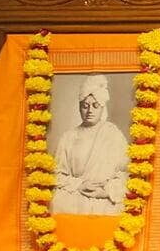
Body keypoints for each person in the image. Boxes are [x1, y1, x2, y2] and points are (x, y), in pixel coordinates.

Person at [51, 74, 129, 215]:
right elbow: (55, 175)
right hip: (75, 196)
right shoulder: (68, 137)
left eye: (95, 106)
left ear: (102, 107)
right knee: (59, 203)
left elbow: (126, 173)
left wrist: (106, 192)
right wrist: (79, 185)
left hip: (105, 197)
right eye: (85, 106)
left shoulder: (113, 135)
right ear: (79, 108)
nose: (90, 111)